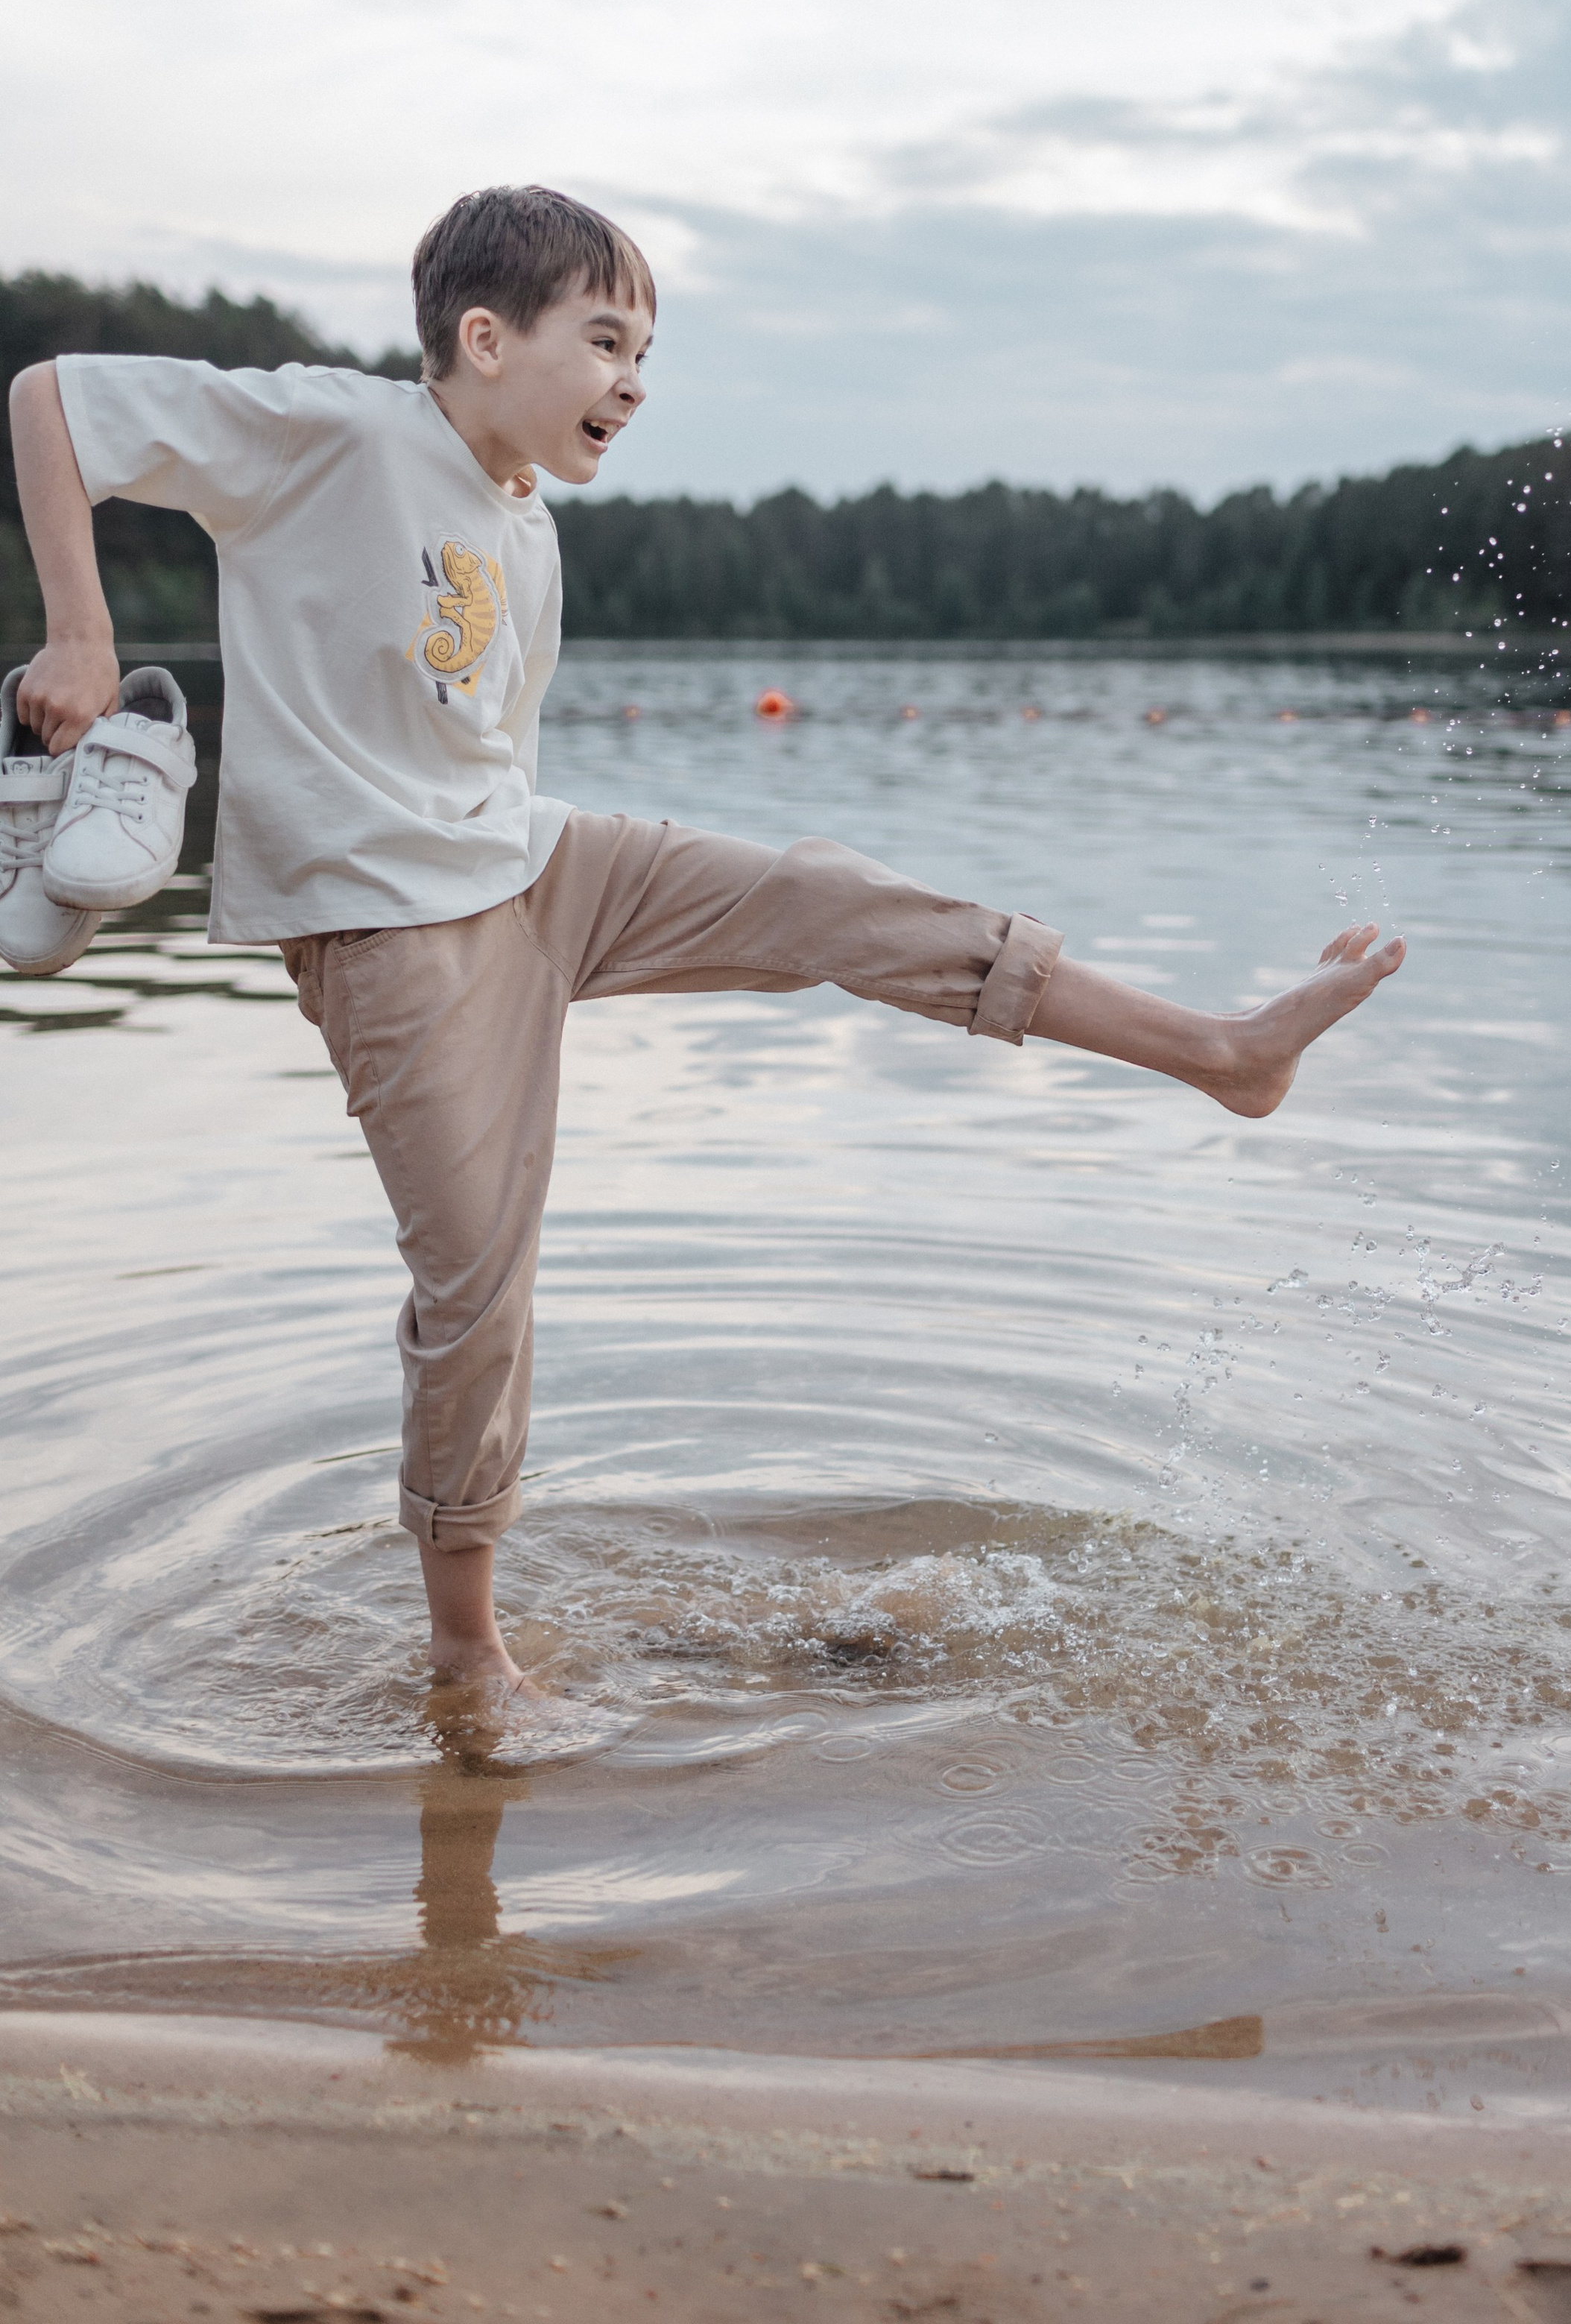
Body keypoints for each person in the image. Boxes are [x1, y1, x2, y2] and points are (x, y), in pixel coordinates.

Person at [6, 185, 1405, 1695]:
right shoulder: (340, 434)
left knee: (822, 895)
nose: (634, 377)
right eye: (604, 339)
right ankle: (467, 1654)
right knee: (479, 1289)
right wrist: (80, 629)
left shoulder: (524, 524)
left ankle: (1217, 1052)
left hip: (537, 866)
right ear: (483, 339)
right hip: (395, 937)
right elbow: (51, 400)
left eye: (646, 347)